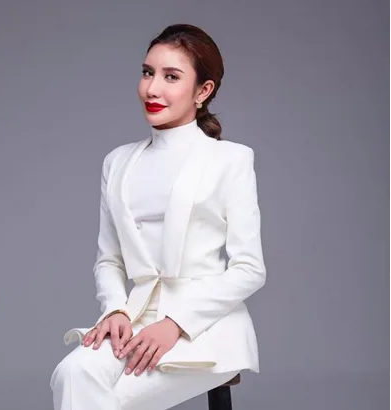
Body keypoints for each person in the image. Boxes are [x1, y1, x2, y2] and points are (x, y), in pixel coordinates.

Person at [50, 23, 267, 410]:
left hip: (206, 327)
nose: (152, 89)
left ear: (203, 91)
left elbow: (250, 269)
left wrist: (176, 322)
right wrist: (115, 309)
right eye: (148, 72)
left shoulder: (230, 160)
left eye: (171, 77)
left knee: (107, 401)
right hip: (134, 321)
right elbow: (109, 259)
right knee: (72, 374)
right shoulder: (117, 162)